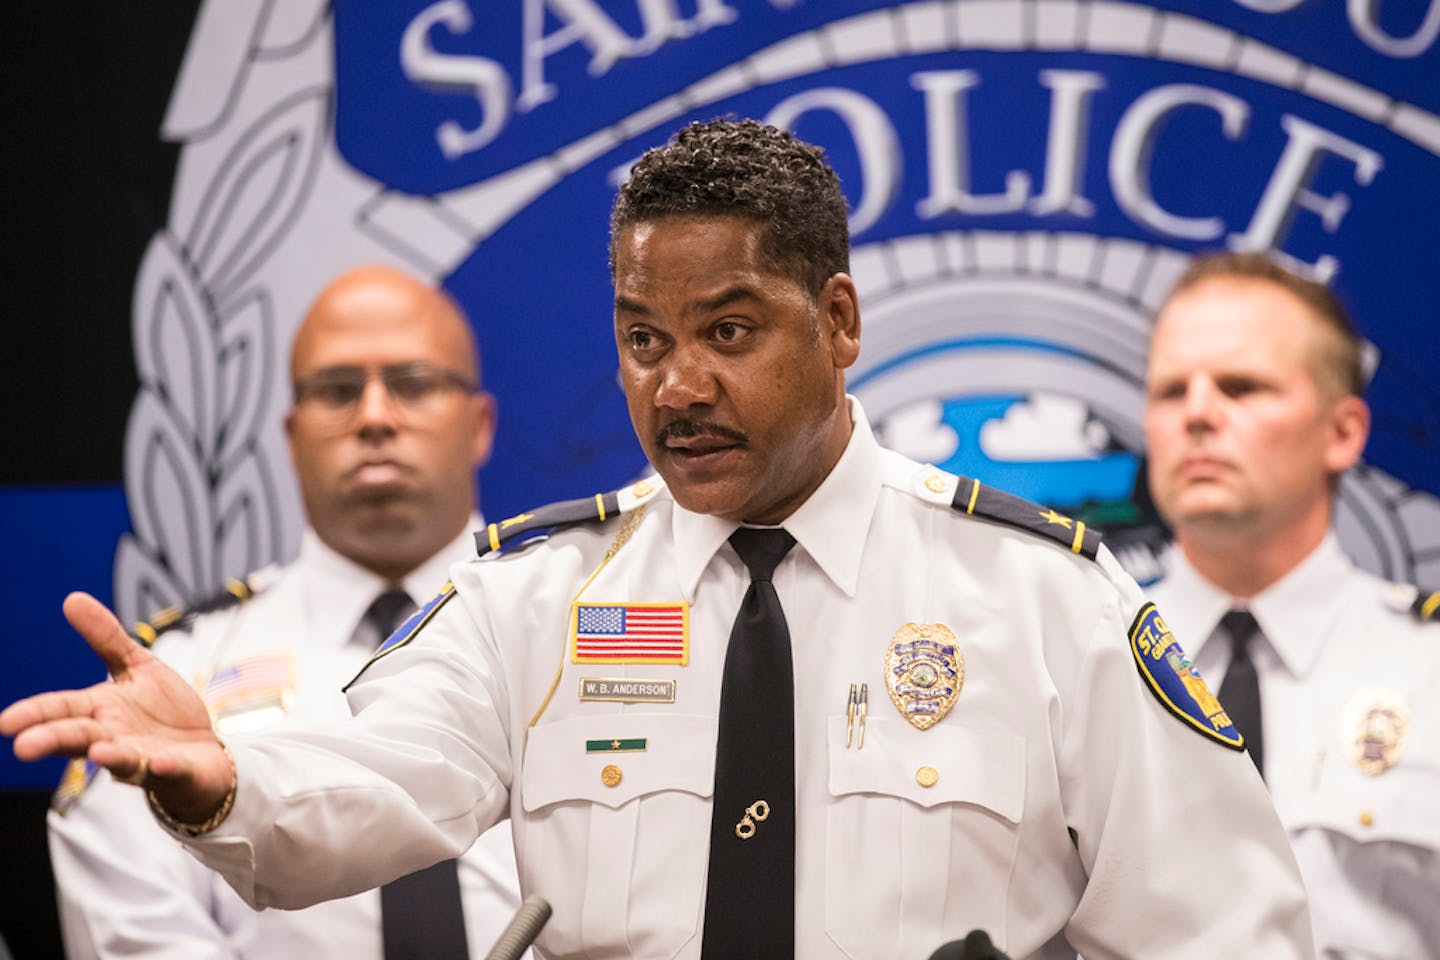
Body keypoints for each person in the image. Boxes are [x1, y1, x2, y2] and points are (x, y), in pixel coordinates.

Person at [6, 121, 1315, 959]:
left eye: (729, 332)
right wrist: (217, 778)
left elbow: (1227, 934)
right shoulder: (543, 599)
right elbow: (350, 801)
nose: (677, 386)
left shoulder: (1045, 601)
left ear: (840, 321)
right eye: (644, 339)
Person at [45, 265, 524, 959]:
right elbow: (138, 931)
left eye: (414, 384)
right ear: (293, 435)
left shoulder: (570, 638)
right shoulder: (177, 671)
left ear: (479, 426)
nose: (375, 416)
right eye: (337, 390)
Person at [1143, 252, 1440, 958]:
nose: (1198, 415)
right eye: (1170, 391)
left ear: (1343, 432)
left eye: (1242, 388)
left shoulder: (1429, 665)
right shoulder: (1065, 662)